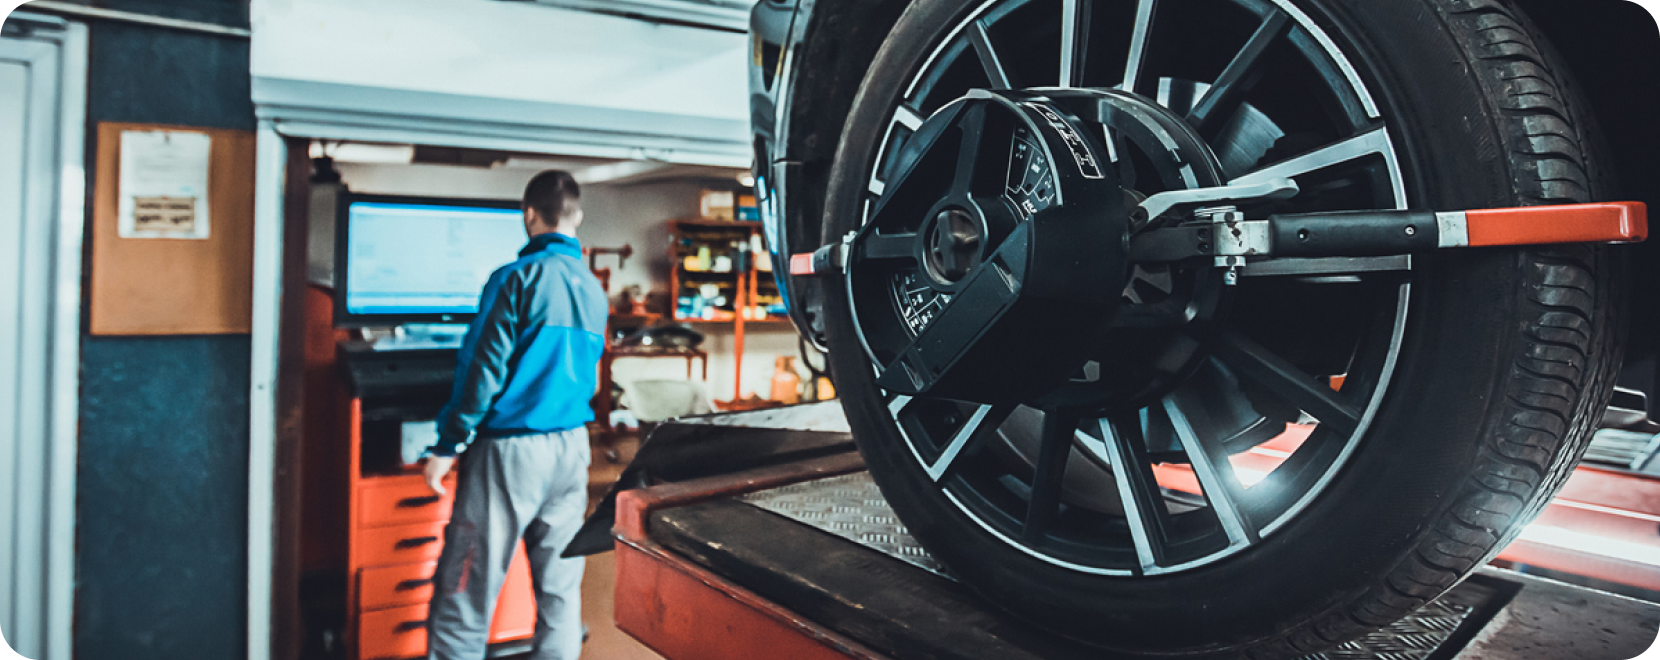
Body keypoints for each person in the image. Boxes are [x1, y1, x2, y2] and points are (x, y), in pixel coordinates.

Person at [422, 170, 607, 660]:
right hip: (572, 449)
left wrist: (447, 444)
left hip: (511, 450)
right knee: (561, 593)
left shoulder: (515, 279)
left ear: (528, 215)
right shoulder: (593, 287)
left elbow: (480, 372)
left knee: (467, 587)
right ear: (577, 218)